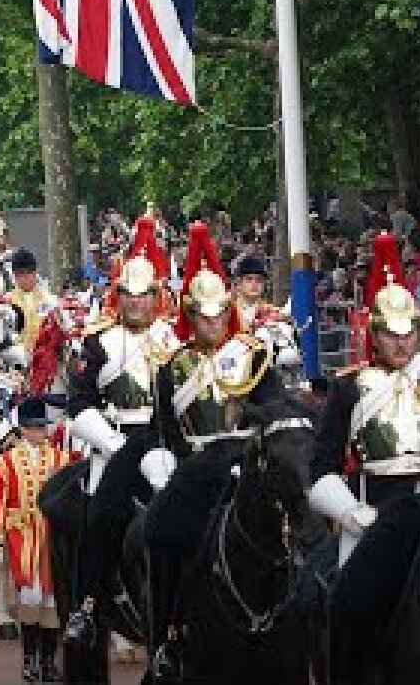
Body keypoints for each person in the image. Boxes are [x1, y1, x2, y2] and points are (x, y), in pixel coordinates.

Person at [143, 222, 287, 678]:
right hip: (196, 470)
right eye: (204, 316)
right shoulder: (172, 366)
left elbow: (274, 410)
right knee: (161, 530)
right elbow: (165, 428)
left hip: (246, 463)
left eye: (219, 314)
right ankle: (167, 636)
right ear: (190, 315)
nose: (213, 324)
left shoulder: (253, 355)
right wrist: (165, 466)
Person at [62, 213, 180, 656]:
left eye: (144, 296)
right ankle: (88, 605)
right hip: (112, 442)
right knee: (99, 515)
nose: (135, 304)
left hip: (164, 442)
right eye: (127, 295)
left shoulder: (173, 339)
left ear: (157, 297)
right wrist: (113, 445)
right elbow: (79, 403)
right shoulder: (97, 341)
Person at [308, 231, 420, 685]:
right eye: (391, 334)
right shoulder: (350, 386)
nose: (402, 343)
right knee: (347, 601)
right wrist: (352, 512)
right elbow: (320, 470)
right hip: (381, 514)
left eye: (409, 331)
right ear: (373, 333)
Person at [0, 397, 73, 682]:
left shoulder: (61, 459)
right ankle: (29, 659)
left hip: (52, 536)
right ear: (23, 429)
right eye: (34, 428)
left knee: (51, 600)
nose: (40, 433)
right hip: (22, 536)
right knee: (31, 596)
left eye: (42, 427)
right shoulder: (5, 462)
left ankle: (48, 661)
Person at [9, 248, 58, 353]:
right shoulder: (7, 302)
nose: (26, 277)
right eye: (21, 273)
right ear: (15, 276)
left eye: (29, 272)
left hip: (44, 357)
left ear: (36, 273)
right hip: (17, 360)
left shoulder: (49, 299)